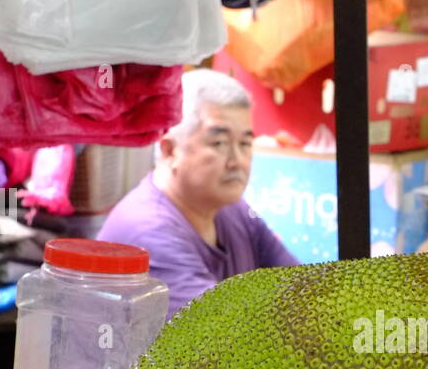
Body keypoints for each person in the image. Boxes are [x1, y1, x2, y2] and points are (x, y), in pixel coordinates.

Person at [97, 69, 300, 319]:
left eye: (245, 144)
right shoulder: (149, 231)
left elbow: (303, 290)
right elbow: (230, 339)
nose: (237, 161)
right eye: (219, 143)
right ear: (171, 150)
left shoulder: (234, 210)